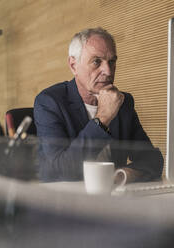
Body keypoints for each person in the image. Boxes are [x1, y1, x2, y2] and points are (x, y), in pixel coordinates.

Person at [34, 27, 163, 182]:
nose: (108, 71)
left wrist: (124, 175)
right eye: (96, 61)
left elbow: (153, 159)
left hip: (109, 199)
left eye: (112, 61)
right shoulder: (49, 102)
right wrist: (103, 118)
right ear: (73, 65)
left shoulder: (123, 101)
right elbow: (61, 170)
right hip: (64, 200)